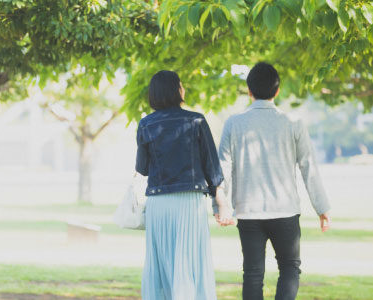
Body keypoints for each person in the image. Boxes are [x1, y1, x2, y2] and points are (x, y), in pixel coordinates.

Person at [218, 62, 331, 300]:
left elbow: (223, 168)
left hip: (248, 211)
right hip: (285, 210)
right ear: (277, 91)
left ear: (249, 91)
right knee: (289, 268)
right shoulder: (293, 123)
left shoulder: (233, 124)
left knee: (252, 274)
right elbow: (308, 165)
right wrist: (322, 208)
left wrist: (221, 206)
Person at [136, 70, 233, 300]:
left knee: (162, 268)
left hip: (158, 204)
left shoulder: (145, 124)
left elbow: (142, 168)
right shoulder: (196, 120)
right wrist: (221, 203)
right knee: (189, 266)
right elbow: (211, 166)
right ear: (176, 89)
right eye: (181, 84)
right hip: (188, 203)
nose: (184, 88)